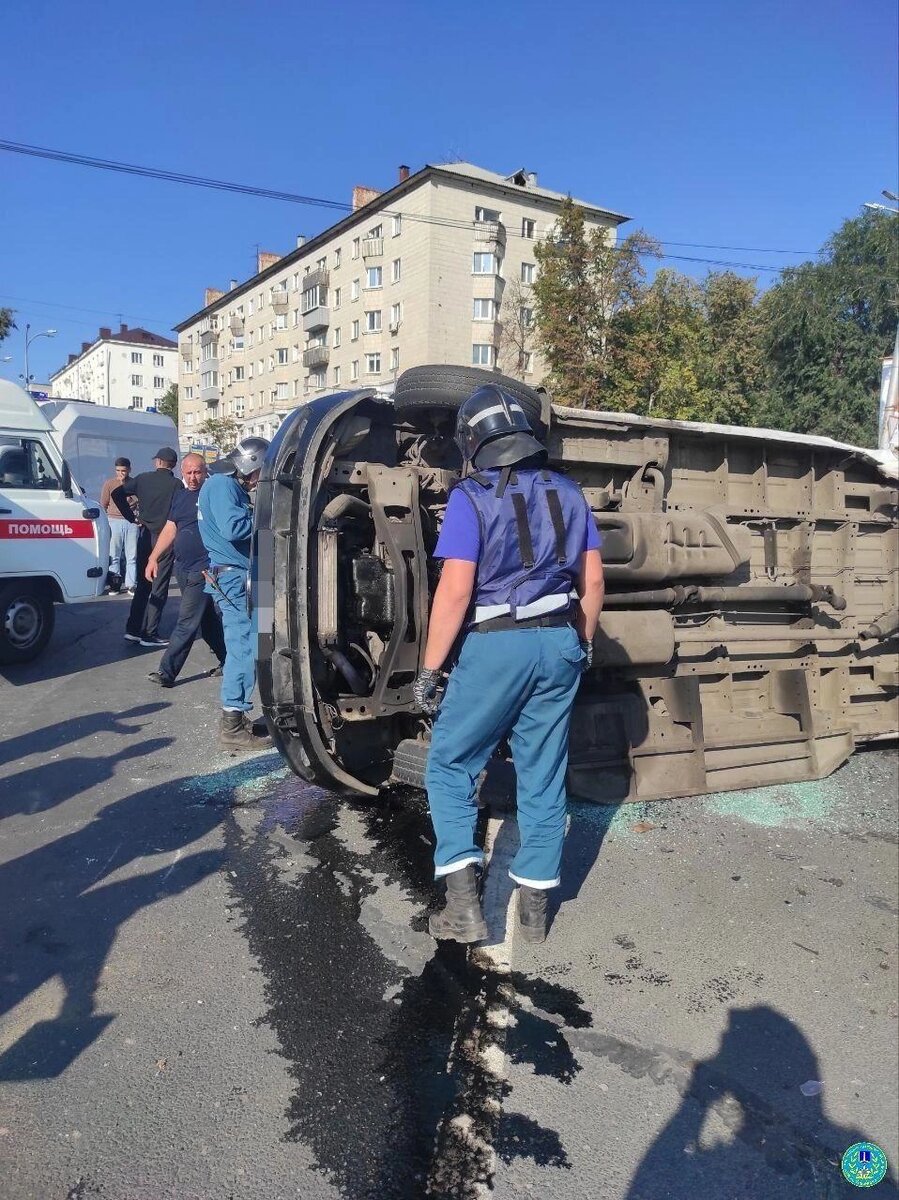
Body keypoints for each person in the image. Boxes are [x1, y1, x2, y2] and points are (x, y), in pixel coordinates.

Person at [413, 384, 605, 945]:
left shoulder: (470, 499)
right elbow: (592, 582)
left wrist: (430, 670)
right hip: (560, 640)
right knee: (543, 772)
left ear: (474, 442)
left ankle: (462, 906)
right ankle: (536, 910)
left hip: (498, 644)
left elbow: (453, 593)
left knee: (450, 764)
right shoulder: (569, 494)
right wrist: (583, 645)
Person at [197, 438, 273, 752]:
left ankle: (253, 713)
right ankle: (232, 722)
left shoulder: (227, 485)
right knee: (246, 647)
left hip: (252, 572)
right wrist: (270, 516)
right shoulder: (221, 485)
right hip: (236, 578)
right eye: (260, 473)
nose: (260, 480)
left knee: (264, 642)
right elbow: (233, 528)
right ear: (249, 464)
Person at [145, 453, 226, 689]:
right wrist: (153, 557)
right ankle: (229, 661)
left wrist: (214, 565)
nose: (193, 477)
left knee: (187, 622)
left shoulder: (212, 495)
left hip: (202, 570)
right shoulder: (180, 497)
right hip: (182, 568)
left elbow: (225, 531)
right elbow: (171, 528)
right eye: (188, 473)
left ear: (205, 472)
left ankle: (167, 672)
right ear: (182, 472)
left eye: (197, 472)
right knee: (209, 621)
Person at [113, 447, 183, 649]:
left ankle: (133, 630)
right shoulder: (176, 485)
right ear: (174, 465)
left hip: (144, 534)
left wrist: (131, 517)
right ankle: (150, 632)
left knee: (143, 585)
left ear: (158, 462)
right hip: (164, 537)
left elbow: (118, 493)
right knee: (159, 586)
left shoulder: (143, 479)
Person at [99, 457, 139, 593]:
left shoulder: (134, 484)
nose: (120, 473)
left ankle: (131, 584)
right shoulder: (109, 484)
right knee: (114, 555)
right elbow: (103, 504)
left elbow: (139, 502)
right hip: (113, 520)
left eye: (123, 471)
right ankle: (114, 583)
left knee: (131, 555)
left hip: (131, 522)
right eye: (118, 470)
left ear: (129, 470)